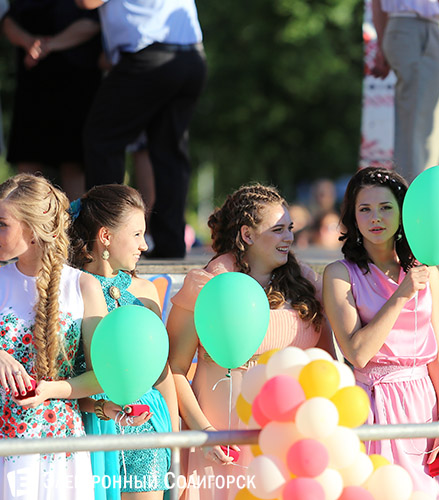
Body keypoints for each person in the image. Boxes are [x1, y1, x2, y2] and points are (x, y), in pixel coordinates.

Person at [167, 184, 335, 500]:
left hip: (288, 439)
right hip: (223, 441)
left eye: (290, 228)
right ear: (247, 234)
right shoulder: (208, 285)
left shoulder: (307, 284)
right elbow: (173, 368)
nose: (289, 237)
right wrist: (204, 432)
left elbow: (326, 364)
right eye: (278, 229)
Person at [323, 167, 439, 499]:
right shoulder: (339, 274)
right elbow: (357, 354)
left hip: (423, 405)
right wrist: (401, 295)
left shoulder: (427, 271)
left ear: (402, 212)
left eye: (385, 208)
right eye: (364, 209)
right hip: (370, 403)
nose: (375, 218)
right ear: (353, 217)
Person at [0, 173, 108, 500]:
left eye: (2, 224)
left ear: (33, 231)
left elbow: (102, 375)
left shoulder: (83, 287)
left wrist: (51, 390)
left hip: (60, 449)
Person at [69, 184, 178, 500]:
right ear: (105, 236)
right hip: (90, 426)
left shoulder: (146, 291)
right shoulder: (70, 290)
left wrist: (176, 445)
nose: (144, 245)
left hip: (145, 428)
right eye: (137, 234)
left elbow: (162, 375)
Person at [76, 0, 206, 259]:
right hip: (191, 57)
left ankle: (106, 240)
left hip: (149, 57)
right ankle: (170, 244)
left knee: (103, 141)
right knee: (169, 153)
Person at [370, 0, 439, 181]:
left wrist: (383, 44)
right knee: (422, 139)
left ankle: (422, 187)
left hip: (424, 31)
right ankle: (414, 192)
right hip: (417, 30)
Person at [2, 0, 102, 201]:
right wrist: (29, 42)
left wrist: (47, 46)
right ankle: (28, 217)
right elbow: (8, 21)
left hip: (76, 82)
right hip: (32, 82)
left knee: (73, 162)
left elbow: (93, 23)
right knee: (28, 162)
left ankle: (76, 220)